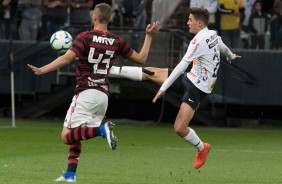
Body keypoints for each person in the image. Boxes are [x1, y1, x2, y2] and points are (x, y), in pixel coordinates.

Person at [27, 3, 160, 182]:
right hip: (103, 95)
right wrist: (149, 36)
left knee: (67, 136)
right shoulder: (116, 40)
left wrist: (43, 70)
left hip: (86, 92)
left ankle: (102, 130)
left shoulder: (85, 37)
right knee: (78, 132)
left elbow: (67, 58)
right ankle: (70, 174)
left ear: (94, 17)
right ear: (110, 19)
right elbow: (141, 59)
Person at [110, 7, 240, 169]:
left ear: (199, 24)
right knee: (150, 71)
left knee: (179, 128)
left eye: (190, 20)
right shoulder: (212, 34)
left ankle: (202, 148)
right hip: (190, 77)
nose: (187, 23)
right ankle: (110, 70)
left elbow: (180, 66)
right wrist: (231, 56)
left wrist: (163, 88)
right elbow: (222, 46)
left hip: (198, 89)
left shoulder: (197, 41)